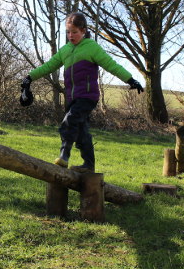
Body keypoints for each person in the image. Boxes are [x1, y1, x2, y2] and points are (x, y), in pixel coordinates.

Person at [19, 12, 144, 173]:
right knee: (81, 132)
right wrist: (29, 77)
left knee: (69, 121)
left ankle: (64, 155)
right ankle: (88, 166)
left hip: (87, 96)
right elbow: (48, 66)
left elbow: (111, 65)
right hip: (71, 97)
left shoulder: (92, 47)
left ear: (83, 30)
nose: (71, 35)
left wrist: (130, 80)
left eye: (75, 32)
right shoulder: (65, 50)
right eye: (68, 32)